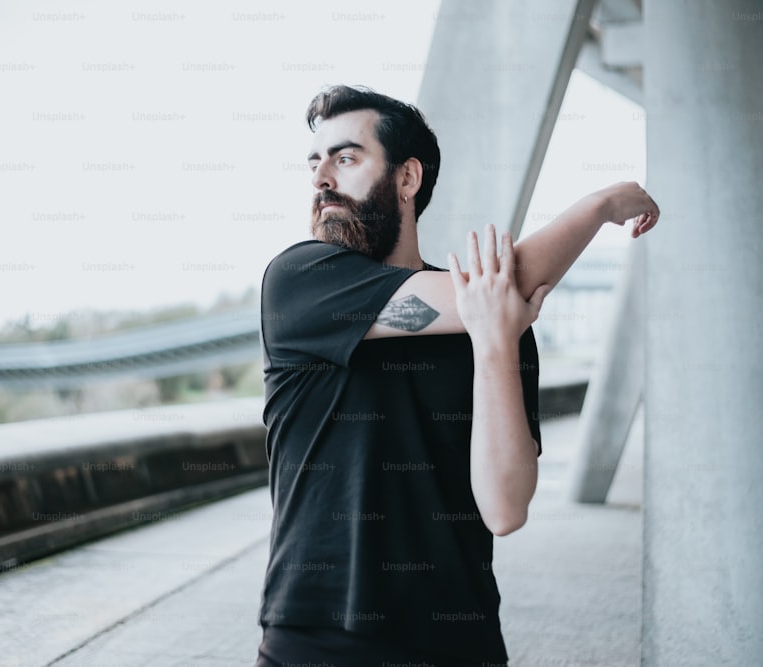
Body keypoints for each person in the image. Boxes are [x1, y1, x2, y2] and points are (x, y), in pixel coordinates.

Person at [254, 85, 659, 666]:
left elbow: (505, 509)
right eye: (315, 162)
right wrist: (598, 205)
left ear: (407, 178)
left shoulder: (500, 321)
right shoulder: (299, 281)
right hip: (318, 644)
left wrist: (495, 345)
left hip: (461, 645)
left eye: (345, 158)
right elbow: (501, 285)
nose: (321, 178)